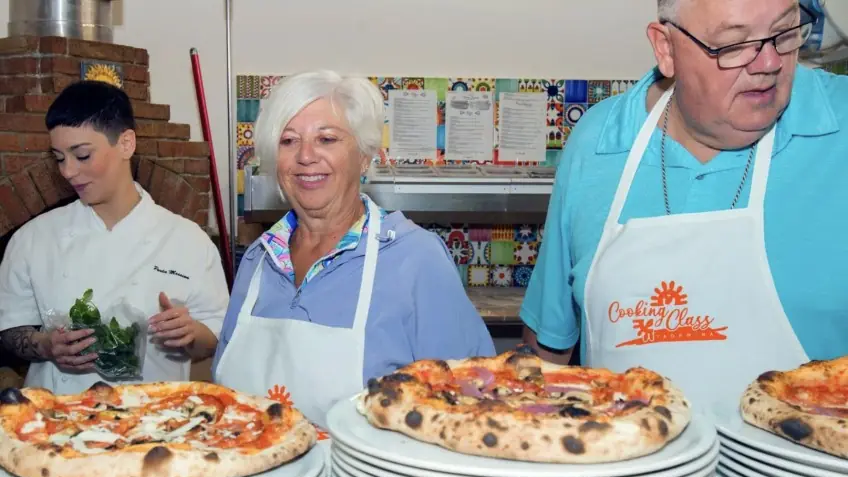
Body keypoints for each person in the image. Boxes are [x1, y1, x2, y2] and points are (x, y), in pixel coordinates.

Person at [520, 0, 848, 409]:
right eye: (733, 44)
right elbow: (548, 352)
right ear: (666, 49)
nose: (768, 62)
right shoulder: (597, 144)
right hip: (627, 464)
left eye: (784, 34)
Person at [212, 70, 495, 431]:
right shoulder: (257, 260)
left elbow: (474, 404)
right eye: (288, 141)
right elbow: (224, 400)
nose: (305, 156)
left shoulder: (415, 260)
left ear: (363, 157)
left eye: (326, 139)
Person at [0, 80, 229, 394]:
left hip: (155, 420)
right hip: (55, 420)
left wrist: (191, 333)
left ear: (126, 144)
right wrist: (44, 346)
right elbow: (10, 330)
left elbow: (214, 338)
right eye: (59, 157)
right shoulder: (33, 238)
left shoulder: (188, 241)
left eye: (81, 156)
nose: (67, 171)